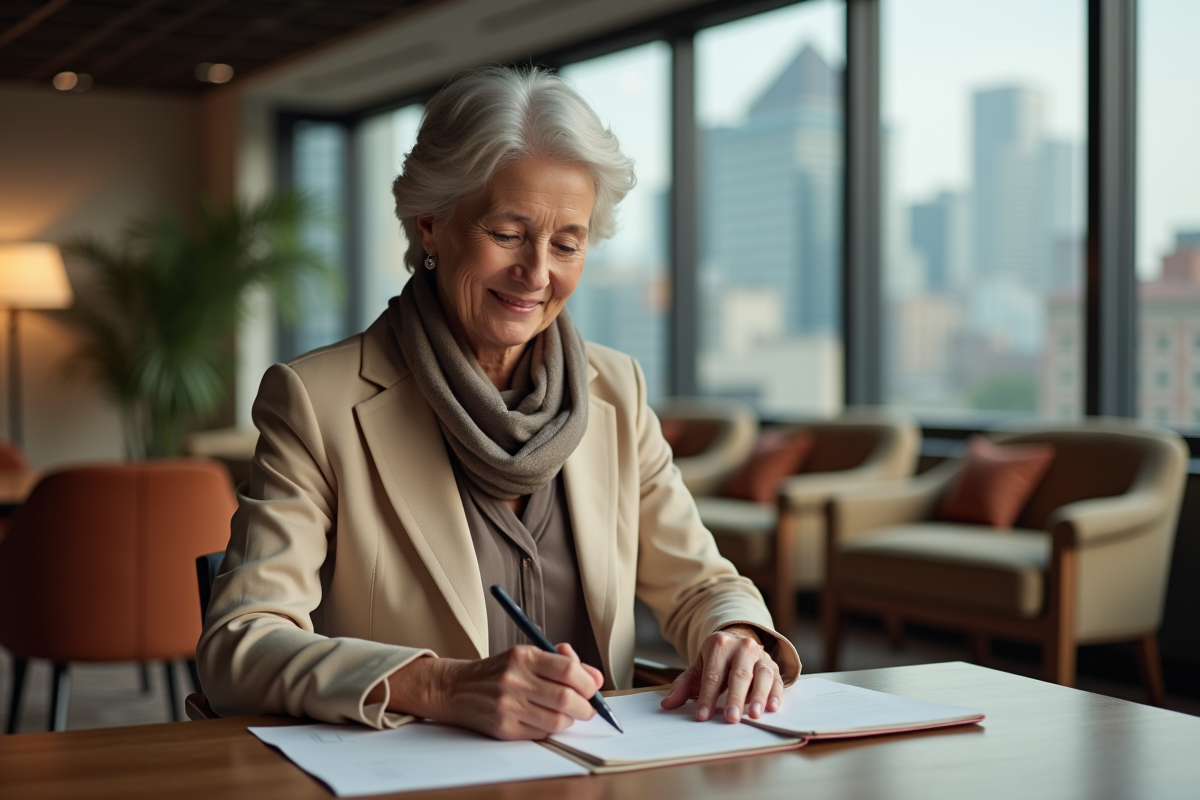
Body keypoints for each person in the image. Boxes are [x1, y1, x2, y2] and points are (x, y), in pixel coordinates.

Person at [197, 65, 800, 740]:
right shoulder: (316, 401)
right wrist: (439, 685)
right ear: (430, 224)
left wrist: (737, 634)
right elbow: (239, 644)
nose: (537, 273)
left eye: (567, 244)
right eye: (508, 233)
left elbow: (697, 583)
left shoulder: (617, 390)